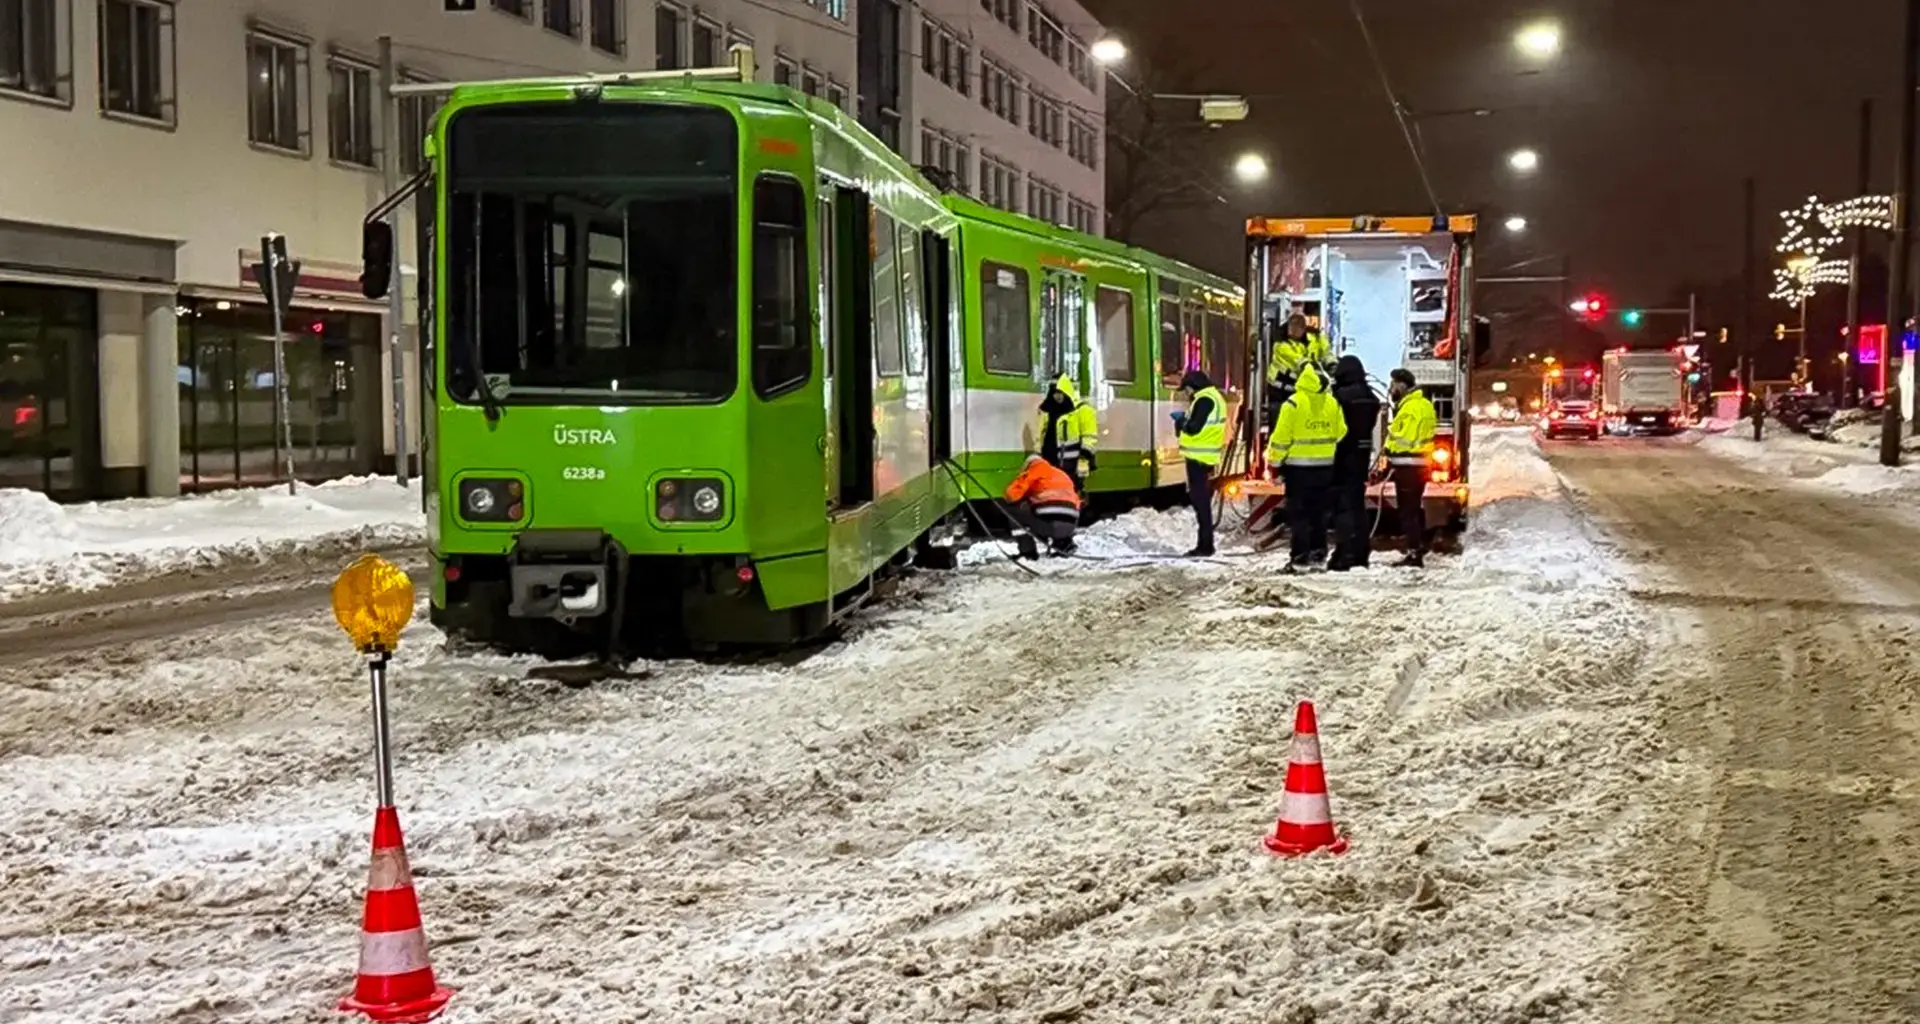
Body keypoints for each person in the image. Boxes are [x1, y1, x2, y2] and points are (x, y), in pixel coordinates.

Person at [1264, 364, 1347, 572]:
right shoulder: (1332, 403)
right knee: (1319, 514)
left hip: (1298, 471)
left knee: (1299, 515)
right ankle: (1319, 553)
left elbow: (1281, 439)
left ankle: (1299, 557)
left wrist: (1275, 464)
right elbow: (1341, 432)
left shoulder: (1292, 404)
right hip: (1326, 469)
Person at [1328, 355, 1382, 571]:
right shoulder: (1370, 397)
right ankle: (1360, 552)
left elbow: (1337, 428)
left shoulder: (1339, 397)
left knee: (1343, 508)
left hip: (1342, 456)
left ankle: (1345, 554)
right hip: (1361, 457)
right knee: (1358, 507)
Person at [1381, 368, 1438, 568]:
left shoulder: (1410, 409)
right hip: (1420, 465)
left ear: (1403, 385)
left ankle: (1414, 553)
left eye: (1393, 385)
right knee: (1414, 508)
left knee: (1407, 511)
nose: (1391, 389)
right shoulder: (1424, 405)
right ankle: (1419, 546)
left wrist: (1388, 450)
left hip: (1408, 466)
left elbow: (1405, 438)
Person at [1173, 369, 1227, 557]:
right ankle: (1205, 544)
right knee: (1201, 501)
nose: (1187, 393)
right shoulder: (1215, 397)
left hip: (1198, 457)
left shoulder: (1204, 400)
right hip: (1206, 456)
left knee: (1201, 503)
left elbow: (1194, 428)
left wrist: (1181, 422)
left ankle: (1205, 546)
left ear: (1193, 386)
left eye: (1186, 389)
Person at [1002, 454, 1081, 558]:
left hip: (1049, 525)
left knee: (1015, 510)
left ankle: (1028, 553)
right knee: (1060, 509)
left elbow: (1011, 495)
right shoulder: (1061, 474)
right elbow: (1077, 503)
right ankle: (1064, 544)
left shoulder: (1034, 470)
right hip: (1070, 526)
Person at [1035, 374, 1099, 493]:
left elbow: (1089, 438)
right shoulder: (1048, 411)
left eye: (1060, 392)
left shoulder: (1083, 410)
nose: (1057, 396)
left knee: (1070, 493)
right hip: (1051, 461)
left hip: (1071, 464)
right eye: (1054, 393)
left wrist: (1083, 463)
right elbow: (1041, 435)